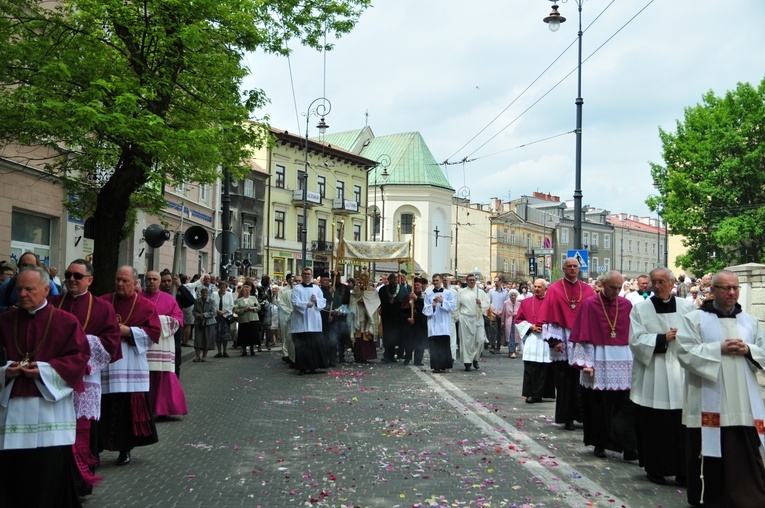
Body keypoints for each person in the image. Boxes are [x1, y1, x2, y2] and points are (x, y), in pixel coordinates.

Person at [0, 266, 89, 507]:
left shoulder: (66, 322)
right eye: (19, 289)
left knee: (47, 473)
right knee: (12, 472)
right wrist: (4, 371)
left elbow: (79, 358)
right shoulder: (4, 320)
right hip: (12, 411)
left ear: (46, 290)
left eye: (29, 289)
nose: (23, 294)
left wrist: (44, 371)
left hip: (49, 410)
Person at [676, 270, 765, 507]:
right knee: (707, 447)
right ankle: (709, 497)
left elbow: (763, 351)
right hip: (706, 397)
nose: (732, 293)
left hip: (742, 403)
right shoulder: (694, 319)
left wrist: (748, 350)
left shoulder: (750, 321)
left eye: (735, 288)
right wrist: (718, 349)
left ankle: (746, 498)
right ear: (713, 290)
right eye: (726, 288)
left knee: (743, 451)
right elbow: (684, 352)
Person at [50, 259, 121, 496]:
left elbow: (111, 343)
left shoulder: (102, 308)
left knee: (80, 431)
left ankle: (79, 483)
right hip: (54, 376)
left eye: (77, 276)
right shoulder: (52, 303)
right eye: (68, 274)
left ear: (89, 280)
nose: (71, 279)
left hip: (85, 379)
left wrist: (80, 342)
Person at [629, 267, 693, 486]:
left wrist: (680, 337)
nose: (656, 286)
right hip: (653, 374)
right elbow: (635, 341)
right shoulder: (640, 309)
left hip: (680, 371)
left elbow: (697, 337)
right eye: (654, 282)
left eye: (661, 282)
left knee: (682, 425)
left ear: (672, 283)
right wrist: (661, 338)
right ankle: (656, 468)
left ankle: (684, 470)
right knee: (655, 425)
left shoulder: (687, 307)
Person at [569, 270, 637, 461]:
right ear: (603, 284)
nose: (616, 292)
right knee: (598, 405)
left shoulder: (626, 304)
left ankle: (628, 445)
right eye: (612, 288)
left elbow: (633, 335)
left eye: (619, 288)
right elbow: (583, 335)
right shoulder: (590, 304)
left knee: (625, 405)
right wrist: (586, 364)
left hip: (623, 359)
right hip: (598, 358)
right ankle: (600, 443)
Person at [99, 266, 161, 466]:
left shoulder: (144, 305)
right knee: (103, 406)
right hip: (107, 363)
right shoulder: (104, 301)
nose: (119, 284)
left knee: (127, 409)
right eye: (117, 279)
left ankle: (125, 449)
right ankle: (98, 447)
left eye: (125, 281)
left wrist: (129, 331)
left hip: (131, 362)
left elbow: (153, 333)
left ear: (135, 284)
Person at [540, 257, 595, 430]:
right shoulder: (555, 289)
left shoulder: (587, 289)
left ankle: (583, 416)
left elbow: (593, 315)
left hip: (581, 339)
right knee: (565, 380)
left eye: (575, 266)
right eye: (569, 266)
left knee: (582, 378)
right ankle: (567, 417)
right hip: (562, 338)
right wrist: (554, 340)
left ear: (579, 269)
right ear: (563, 269)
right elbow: (549, 317)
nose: (572, 269)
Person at [142, 271, 187, 418]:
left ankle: (163, 410)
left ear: (159, 281)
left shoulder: (169, 299)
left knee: (163, 377)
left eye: (155, 279)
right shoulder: (138, 298)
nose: (151, 282)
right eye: (149, 279)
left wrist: (155, 321)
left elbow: (178, 319)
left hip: (162, 344)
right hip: (143, 345)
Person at [516, 279, 555, 403]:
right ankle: (530, 393)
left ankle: (541, 393)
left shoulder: (552, 303)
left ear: (545, 289)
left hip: (546, 339)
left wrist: (546, 328)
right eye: (535, 286)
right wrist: (531, 327)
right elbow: (518, 320)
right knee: (531, 367)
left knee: (544, 368)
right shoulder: (526, 302)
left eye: (539, 287)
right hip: (532, 338)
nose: (537, 289)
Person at [291, 267, 329, 374]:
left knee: (314, 345)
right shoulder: (297, 288)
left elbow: (323, 302)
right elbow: (294, 302)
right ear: (302, 275)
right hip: (301, 321)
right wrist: (305, 304)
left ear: (311, 276)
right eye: (305, 274)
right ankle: (302, 367)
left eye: (308, 274)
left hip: (314, 320)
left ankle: (313, 366)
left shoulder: (317, 289)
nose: (307, 276)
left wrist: (316, 300)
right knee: (302, 346)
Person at [423, 273, 456, 373]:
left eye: (437, 280)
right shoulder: (428, 294)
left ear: (441, 281)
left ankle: (444, 365)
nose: (435, 282)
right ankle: (436, 366)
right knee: (435, 346)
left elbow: (452, 307)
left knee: (444, 345)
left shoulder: (448, 293)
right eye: (434, 280)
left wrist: (442, 301)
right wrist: (432, 306)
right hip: (434, 323)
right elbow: (425, 310)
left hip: (444, 324)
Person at [165, 272, 195, 377]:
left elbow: (191, 300)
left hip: (175, 333)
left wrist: (180, 286)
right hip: (161, 334)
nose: (167, 284)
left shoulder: (177, 297)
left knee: (176, 361)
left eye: (169, 281)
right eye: (164, 281)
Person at [458, 273, 490, 371]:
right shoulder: (461, 292)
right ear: (466, 281)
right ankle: (467, 362)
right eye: (470, 280)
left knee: (480, 340)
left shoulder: (481, 292)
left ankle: (475, 358)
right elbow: (457, 306)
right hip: (466, 319)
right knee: (467, 342)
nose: (472, 281)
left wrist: (481, 303)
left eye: (473, 280)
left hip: (478, 318)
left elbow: (487, 304)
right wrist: (458, 317)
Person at [349, 273, 379, 363]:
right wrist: (359, 297)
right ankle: (358, 356)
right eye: (361, 281)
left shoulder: (372, 290)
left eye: (365, 281)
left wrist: (365, 299)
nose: (363, 283)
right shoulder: (356, 290)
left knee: (366, 335)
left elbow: (374, 300)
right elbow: (352, 299)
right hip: (358, 313)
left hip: (367, 314)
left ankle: (366, 356)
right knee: (358, 335)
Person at [401, 277, 427, 367]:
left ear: (421, 286)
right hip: (410, 323)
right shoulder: (407, 297)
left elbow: (426, 307)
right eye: (415, 285)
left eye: (418, 285)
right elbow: (402, 312)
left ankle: (418, 360)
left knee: (420, 342)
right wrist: (407, 318)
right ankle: (407, 358)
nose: (416, 286)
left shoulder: (425, 296)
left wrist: (417, 299)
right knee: (409, 342)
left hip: (421, 323)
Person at [379, 273, 403, 364]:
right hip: (387, 315)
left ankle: (393, 354)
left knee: (395, 336)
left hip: (397, 316)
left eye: (396, 278)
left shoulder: (402, 289)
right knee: (387, 335)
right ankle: (387, 355)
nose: (394, 279)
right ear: (389, 279)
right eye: (392, 278)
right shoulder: (382, 289)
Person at [211, 281, 235, 358]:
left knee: (225, 335)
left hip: (225, 317)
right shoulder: (214, 294)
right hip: (216, 316)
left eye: (224, 287)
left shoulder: (229, 294)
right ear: (219, 287)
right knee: (217, 334)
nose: (223, 289)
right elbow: (212, 304)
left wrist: (223, 311)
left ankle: (225, 351)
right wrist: (218, 311)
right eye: (221, 287)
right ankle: (219, 352)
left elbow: (231, 305)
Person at [234, 284, 260, 356]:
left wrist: (252, 308)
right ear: (243, 292)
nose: (248, 292)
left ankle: (252, 349)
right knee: (243, 335)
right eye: (246, 290)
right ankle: (244, 350)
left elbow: (258, 307)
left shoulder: (253, 298)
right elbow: (236, 310)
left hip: (253, 318)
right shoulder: (239, 300)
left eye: (249, 290)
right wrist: (243, 310)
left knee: (253, 334)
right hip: (243, 320)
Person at [193, 287, 217, 362]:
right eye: (203, 292)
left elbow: (213, 312)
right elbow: (194, 311)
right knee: (198, 339)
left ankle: (204, 356)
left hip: (209, 322)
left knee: (207, 339)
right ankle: (197, 356)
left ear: (208, 293)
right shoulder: (197, 301)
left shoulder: (212, 301)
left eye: (206, 293)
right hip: (199, 322)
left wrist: (204, 315)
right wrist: (199, 316)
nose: (204, 294)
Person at [486, 276, 509, 354]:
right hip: (493, 314)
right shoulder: (491, 292)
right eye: (494, 281)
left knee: (500, 331)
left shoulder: (505, 292)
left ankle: (498, 347)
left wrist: (502, 311)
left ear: (500, 281)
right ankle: (492, 346)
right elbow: (489, 302)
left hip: (501, 314)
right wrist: (493, 311)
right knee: (493, 330)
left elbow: (506, 303)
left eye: (496, 281)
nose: (495, 283)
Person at [278, 274, 296, 366]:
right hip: (286, 316)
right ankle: (286, 354)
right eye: (291, 279)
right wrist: (289, 311)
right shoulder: (283, 291)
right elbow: (280, 303)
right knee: (285, 336)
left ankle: (293, 355)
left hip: (296, 316)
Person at [501, 289, 522, 358]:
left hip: (516, 323)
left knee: (516, 337)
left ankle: (512, 350)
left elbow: (521, 313)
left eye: (514, 295)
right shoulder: (506, 303)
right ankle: (512, 351)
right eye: (512, 295)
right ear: (509, 296)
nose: (513, 297)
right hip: (508, 322)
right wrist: (502, 321)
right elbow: (503, 313)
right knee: (510, 337)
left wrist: (516, 314)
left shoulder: (519, 304)